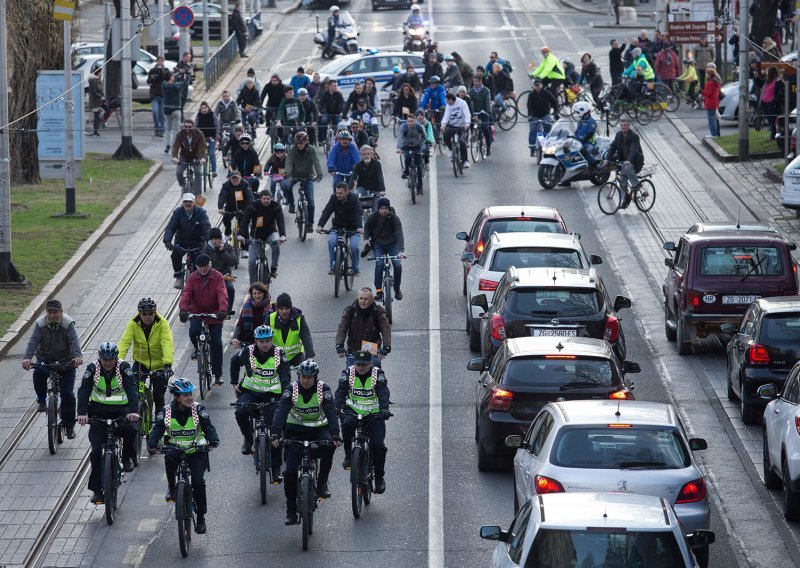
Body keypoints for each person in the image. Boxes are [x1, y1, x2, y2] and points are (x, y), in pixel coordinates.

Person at [271, 360, 341, 525]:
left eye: (310, 377)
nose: (306, 380)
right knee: (288, 473)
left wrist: (336, 435)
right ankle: (290, 509)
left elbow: (331, 412)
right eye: (303, 377)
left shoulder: (323, 389)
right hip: (296, 432)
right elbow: (281, 412)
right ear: (299, 375)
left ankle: (322, 482)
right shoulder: (291, 390)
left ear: (315, 377)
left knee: (329, 446)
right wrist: (275, 433)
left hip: (319, 430)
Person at [147, 378, 219, 535]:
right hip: (175, 449)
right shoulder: (165, 412)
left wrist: (213, 440)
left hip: (196, 451)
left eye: (190, 394)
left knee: (198, 483)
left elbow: (208, 427)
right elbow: (157, 430)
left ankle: (201, 517)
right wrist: (152, 443)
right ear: (176, 397)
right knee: (169, 456)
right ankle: (172, 487)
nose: (190, 398)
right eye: (185, 395)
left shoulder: (199, 410)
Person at [76, 342, 139, 504]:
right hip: (98, 413)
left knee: (131, 430)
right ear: (100, 358)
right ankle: (97, 491)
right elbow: (83, 390)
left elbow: (132, 389)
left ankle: (126, 458)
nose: (108, 363)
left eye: (111, 360)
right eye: (105, 360)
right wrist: (82, 413)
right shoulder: (93, 369)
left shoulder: (124, 368)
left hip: (121, 411)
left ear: (116, 358)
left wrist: (133, 411)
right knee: (96, 451)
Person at [231, 325, 291, 471]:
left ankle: (276, 468)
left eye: (268, 341)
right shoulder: (247, 352)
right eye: (262, 341)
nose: (265, 344)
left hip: (272, 395)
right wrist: (234, 383)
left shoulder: (279, 354)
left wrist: (283, 396)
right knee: (240, 412)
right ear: (256, 341)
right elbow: (234, 362)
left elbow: (285, 376)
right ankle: (248, 439)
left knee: (277, 427)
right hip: (251, 392)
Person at [335, 350, 390, 492]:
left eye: (364, 365)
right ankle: (348, 456)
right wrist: (336, 407)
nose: (360, 367)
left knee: (378, 445)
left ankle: (379, 477)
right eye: (358, 364)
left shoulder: (377, 374)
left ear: (370, 363)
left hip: (373, 414)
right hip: (353, 412)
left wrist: (384, 409)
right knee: (346, 425)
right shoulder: (348, 373)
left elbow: (383, 392)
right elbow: (340, 391)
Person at [22, 299, 82, 427]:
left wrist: (77, 357)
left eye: (55, 312)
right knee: (38, 373)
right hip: (46, 360)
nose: (52, 315)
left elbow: (74, 340)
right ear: (46, 312)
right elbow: (33, 341)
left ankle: (69, 426)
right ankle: (42, 400)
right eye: (50, 312)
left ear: (61, 312)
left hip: (66, 362)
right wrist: (27, 358)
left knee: (68, 395)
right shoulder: (40, 323)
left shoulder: (68, 323)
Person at [178, 254, 228, 384]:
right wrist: (183, 310)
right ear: (197, 267)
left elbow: (222, 293)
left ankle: (218, 375)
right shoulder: (192, 278)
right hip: (197, 311)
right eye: (200, 267)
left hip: (214, 313)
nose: (203, 269)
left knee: (216, 343)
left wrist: (222, 310)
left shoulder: (217, 277)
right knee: (194, 331)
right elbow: (186, 293)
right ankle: (196, 348)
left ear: (210, 264)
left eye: (205, 266)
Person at [117, 297, 174, 410]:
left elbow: (167, 343)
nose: (147, 316)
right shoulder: (133, 324)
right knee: (133, 392)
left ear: (155, 312)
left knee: (158, 397)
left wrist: (167, 365)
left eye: (150, 313)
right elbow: (124, 342)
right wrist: (117, 362)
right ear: (139, 313)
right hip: (141, 363)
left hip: (159, 365)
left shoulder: (162, 323)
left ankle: (159, 423)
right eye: (144, 314)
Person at [163, 193, 211, 289]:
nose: (187, 204)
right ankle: (179, 276)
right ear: (182, 203)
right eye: (185, 202)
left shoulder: (201, 213)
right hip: (181, 241)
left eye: (190, 201)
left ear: (194, 202)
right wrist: (167, 241)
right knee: (175, 255)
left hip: (197, 242)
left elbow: (206, 228)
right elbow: (170, 227)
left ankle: (199, 278)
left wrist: (209, 242)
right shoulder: (177, 213)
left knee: (200, 259)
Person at [336, 287, 391, 368]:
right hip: (354, 349)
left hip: (372, 349)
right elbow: (342, 328)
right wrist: (339, 345)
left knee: (376, 374)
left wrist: (386, 347)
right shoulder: (349, 310)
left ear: (372, 299)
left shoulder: (379, 311)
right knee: (348, 376)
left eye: (366, 299)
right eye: (361, 298)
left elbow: (385, 329)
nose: (363, 301)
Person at [239, 189, 287, 281]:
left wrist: (282, 235)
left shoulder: (276, 206)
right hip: (256, 235)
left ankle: (274, 268)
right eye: (264, 199)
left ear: (271, 198)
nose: (266, 201)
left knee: (276, 245)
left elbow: (280, 220)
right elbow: (245, 220)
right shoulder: (253, 206)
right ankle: (253, 286)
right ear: (260, 198)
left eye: (268, 199)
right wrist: (240, 234)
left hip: (270, 233)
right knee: (252, 262)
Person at [317, 182, 364, 275]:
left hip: (353, 228)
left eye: (340, 193)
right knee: (331, 241)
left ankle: (355, 269)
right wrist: (320, 225)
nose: (338, 195)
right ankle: (333, 267)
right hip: (337, 226)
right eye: (337, 192)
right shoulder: (333, 198)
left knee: (354, 247)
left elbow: (358, 213)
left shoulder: (354, 198)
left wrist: (359, 227)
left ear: (346, 192)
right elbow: (327, 211)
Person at [364, 197, 404, 301]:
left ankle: (397, 288)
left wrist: (400, 250)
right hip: (379, 244)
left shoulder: (394, 218)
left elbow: (399, 234)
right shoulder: (372, 217)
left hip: (392, 244)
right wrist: (366, 239)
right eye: (382, 208)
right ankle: (379, 291)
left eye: (386, 208)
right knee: (379, 264)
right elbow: (367, 227)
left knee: (397, 265)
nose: (384, 210)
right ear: (378, 209)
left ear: (389, 208)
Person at [603, 117, 644, 209]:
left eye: (625, 125)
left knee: (627, 168)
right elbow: (612, 147)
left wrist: (629, 160)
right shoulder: (618, 135)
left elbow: (634, 149)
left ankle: (636, 185)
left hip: (635, 162)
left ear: (629, 125)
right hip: (623, 162)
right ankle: (624, 201)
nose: (623, 127)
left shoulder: (634, 136)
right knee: (622, 182)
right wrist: (607, 158)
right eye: (621, 125)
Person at [284, 130, 323, 223]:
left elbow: (316, 162)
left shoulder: (311, 149)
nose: (299, 145)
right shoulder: (292, 150)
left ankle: (310, 223)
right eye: (297, 143)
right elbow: (288, 162)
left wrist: (319, 175)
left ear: (306, 142)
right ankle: (292, 204)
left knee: (311, 201)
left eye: (301, 143)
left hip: (308, 176)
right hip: (294, 175)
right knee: (286, 186)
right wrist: (288, 174)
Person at [270, 293, 315, 366]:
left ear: (290, 308)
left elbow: (306, 338)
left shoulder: (300, 319)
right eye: (281, 309)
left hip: (296, 355)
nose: (284, 311)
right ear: (277, 309)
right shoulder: (270, 319)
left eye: (287, 308)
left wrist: (309, 357)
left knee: (307, 370)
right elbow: (264, 339)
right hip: (277, 356)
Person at [204, 227, 238, 315]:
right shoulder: (207, 249)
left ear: (220, 239)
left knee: (230, 289)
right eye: (212, 239)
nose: (214, 241)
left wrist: (223, 252)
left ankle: (228, 310)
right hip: (210, 276)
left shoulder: (228, 247)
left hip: (225, 275)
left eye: (216, 239)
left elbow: (233, 262)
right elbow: (202, 262)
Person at [171, 118, 207, 197]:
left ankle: (198, 194)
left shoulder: (199, 134)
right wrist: (175, 157)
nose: (187, 129)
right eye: (186, 127)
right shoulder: (180, 134)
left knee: (198, 172)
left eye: (190, 127)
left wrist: (202, 158)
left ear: (194, 127)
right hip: (184, 156)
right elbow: (176, 147)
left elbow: (202, 147)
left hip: (196, 156)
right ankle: (183, 185)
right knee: (178, 172)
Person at [232, 282, 273, 350]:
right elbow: (240, 323)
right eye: (254, 293)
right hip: (249, 342)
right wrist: (235, 338)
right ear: (252, 294)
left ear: (264, 293)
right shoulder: (246, 306)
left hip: (265, 343)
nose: (257, 296)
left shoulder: (272, 307)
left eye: (259, 293)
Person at [217, 170, 253, 240]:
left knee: (244, 225)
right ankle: (228, 231)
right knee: (225, 218)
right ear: (230, 178)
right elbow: (222, 196)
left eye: (237, 178)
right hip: (230, 207)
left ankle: (245, 247)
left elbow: (250, 196)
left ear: (240, 178)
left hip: (243, 208)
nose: (235, 180)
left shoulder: (245, 184)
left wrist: (250, 207)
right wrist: (220, 207)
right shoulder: (225, 185)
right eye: (233, 178)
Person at [527, 79, 559, 157]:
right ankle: (532, 148)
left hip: (545, 114)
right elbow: (529, 106)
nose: (537, 87)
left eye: (538, 85)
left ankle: (547, 145)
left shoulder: (547, 93)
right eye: (536, 85)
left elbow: (554, 102)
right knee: (533, 130)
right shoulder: (531, 95)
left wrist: (555, 113)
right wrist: (530, 115)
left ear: (541, 85)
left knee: (548, 127)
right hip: (534, 116)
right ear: (534, 86)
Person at [396, 114, 426, 193]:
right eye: (409, 121)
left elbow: (423, 137)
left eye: (412, 121)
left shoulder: (419, 127)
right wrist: (399, 148)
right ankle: (406, 171)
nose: (410, 123)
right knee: (407, 157)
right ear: (406, 121)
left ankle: (420, 187)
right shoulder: (403, 127)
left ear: (415, 121)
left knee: (418, 166)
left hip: (416, 146)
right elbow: (400, 137)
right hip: (406, 146)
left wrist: (422, 146)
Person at [441, 92, 470, 169]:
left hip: (462, 126)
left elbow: (467, 114)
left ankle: (465, 160)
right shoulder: (448, 105)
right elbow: (446, 115)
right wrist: (443, 125)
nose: (446, 102)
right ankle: (451, 149)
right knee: (445, 136)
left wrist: (467, 124)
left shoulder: (462, 103)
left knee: (462, 141)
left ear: (451, 100)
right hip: (452, 125)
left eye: (447, 101)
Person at [468, 75, 493, 156]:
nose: (474, 83)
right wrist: (470, 112)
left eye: (476, 81)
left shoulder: (486, 90)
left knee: (485, 128)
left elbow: (487, 101)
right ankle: (474, 134)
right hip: (474, 112)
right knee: (471, 124)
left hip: (484, 112)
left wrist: (487, 111)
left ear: (480, 82)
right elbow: (470, 102)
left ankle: (488, 146)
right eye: (473, 81)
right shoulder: (471, 91)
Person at [162, 72, 187, 153]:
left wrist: (178, 73)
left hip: (166, 109)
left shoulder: (163, 85)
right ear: (171, 77)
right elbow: (185, 83)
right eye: (172, 76)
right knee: (175, 129)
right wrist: (188, 74)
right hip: (176, 109)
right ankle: (174, 147)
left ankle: (167, 145)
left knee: (168, 128)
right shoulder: (175, 86)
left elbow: (169, 79)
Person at [195, 101, 220, 179]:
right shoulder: (198, 115)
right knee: (201, 153)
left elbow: (217, 125)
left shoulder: (212, 115)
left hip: (211, 137)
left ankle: (214, 171)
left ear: (208, 108)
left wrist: (217, 134)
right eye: (202, 108)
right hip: (201, 138)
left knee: (211, 153)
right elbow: (195, 125)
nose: (204, 109)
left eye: (205, 108)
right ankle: (201, 169)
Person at [572, 101, 598, 169]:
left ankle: (594, 165)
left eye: (578, 112)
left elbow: (590, 133)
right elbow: (577, 132)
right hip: (580, 142)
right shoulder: (581, 121)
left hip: (589, 143)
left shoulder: (592, 122)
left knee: (584, 150)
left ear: (583, 111)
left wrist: (582, 141)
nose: (577, 114)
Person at [760, 66, 784, 139]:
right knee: (769, 119)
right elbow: (761, 84)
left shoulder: (778, 81)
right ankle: (773, 134)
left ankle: (773, 135)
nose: (766, 73)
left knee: (772, 120)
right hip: (765, 103)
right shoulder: (768, 81)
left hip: (772, 104)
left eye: (768, 72)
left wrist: (774, 101)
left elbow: (780, 93)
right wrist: (757, 78)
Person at [87, 66, 111, 137]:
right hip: (95, 101)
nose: (102, 73)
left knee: (108, 110)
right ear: (99, 72)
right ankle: (95, 131)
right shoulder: (93, 80)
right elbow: (93, 91)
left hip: (100, 101)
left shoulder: (97, 79)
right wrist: (101, 97)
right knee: (96, 115)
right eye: (101, 72)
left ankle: (101, 122)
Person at [147, 57, 167, 137]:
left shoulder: (165, 70)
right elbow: (148, 81)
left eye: (161, 61)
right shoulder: (152, 70)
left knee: (161, 113)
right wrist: (152, 78)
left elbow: (166, 79)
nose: (160, 63)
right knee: (155, 111)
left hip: (162, 94)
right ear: (156, 62)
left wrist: (161, 71)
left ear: (163, 62)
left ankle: (162, 129)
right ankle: (157, 128)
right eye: (158, 61)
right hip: (154, 94)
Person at [702, 67, 721, 138]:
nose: (706, 75)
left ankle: (713, 134)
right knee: (715, 119)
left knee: (711, 119)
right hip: (715, 102)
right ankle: (716, 133)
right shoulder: (716, 82)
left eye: (707, 74)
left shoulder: (710, 83)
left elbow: (708, 93)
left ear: (710, 75)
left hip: (710, 102)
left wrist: (702, 91)